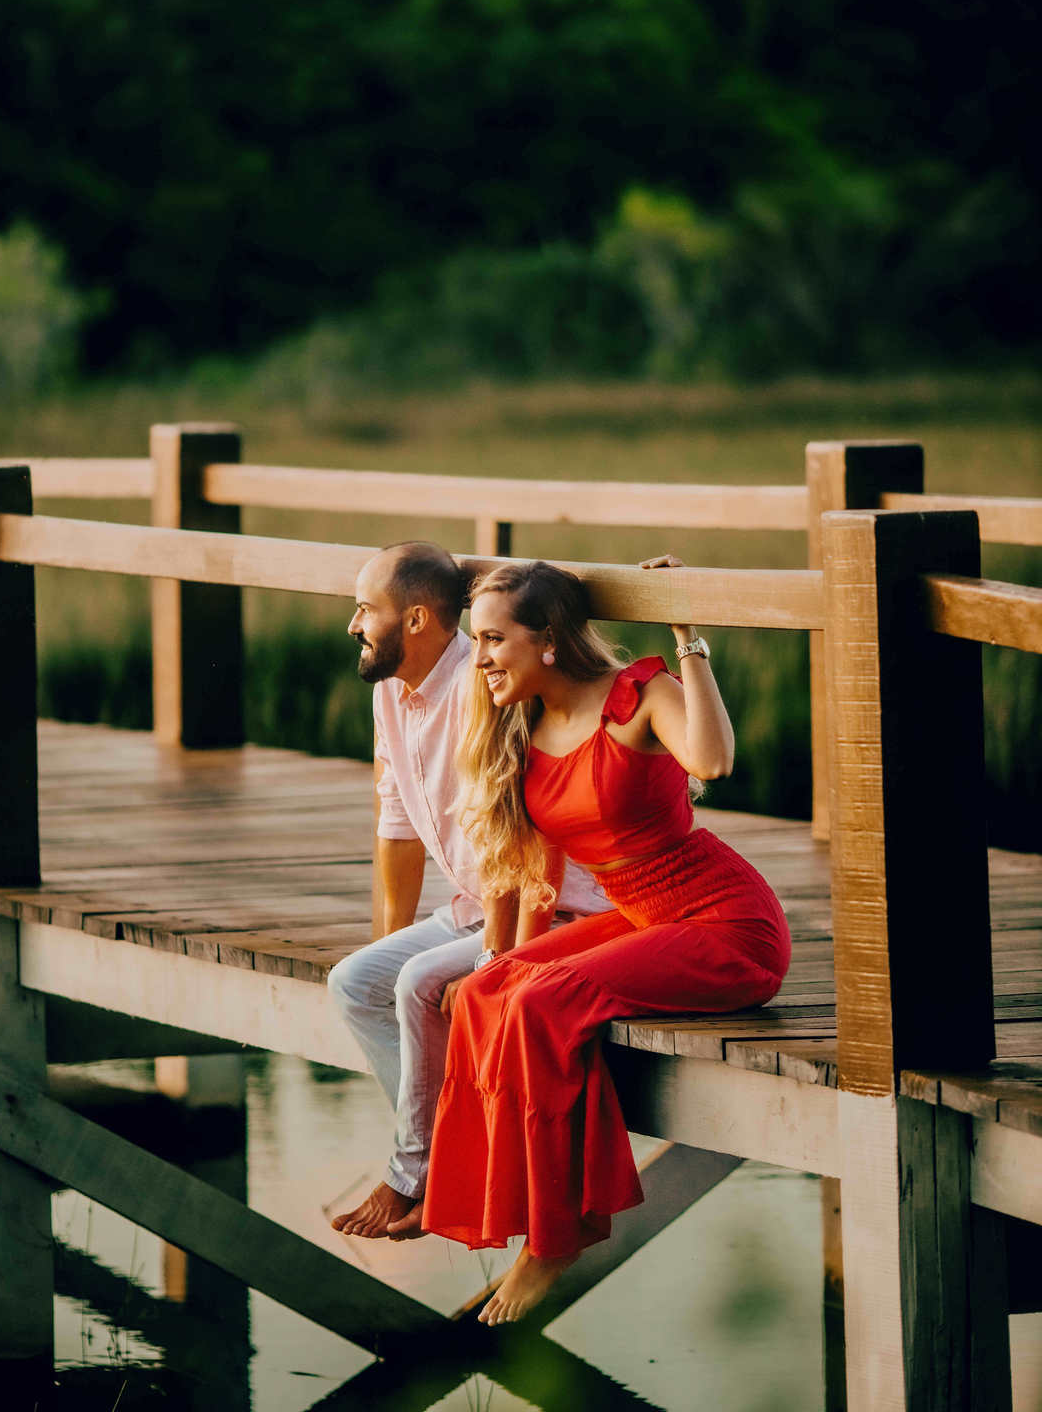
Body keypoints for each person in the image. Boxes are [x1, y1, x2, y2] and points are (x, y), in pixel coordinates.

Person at [420, 557, 792, 1323]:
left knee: (544, 1004)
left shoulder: (640, 697)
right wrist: (506, 958)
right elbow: (538, 875)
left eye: (493, 639)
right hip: (642, 918)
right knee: (489, 992)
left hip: (726, 925)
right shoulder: (527, 721)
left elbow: (715, 763)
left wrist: (689, 637)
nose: (479, 657)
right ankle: (520, 1202)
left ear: (548, 637)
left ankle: (558, 1236)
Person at [327, 541, 609, 1241]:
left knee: (420, 983)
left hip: (554, 908)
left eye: (366, 610)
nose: (354, 626)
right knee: (357, 980)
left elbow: (520, 839)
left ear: (418, 620)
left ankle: (419, 1174)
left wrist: (495, 959)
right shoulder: (394, 692)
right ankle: (449, 1158)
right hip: (471, 904)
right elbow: (395, 824)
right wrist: (389, 940)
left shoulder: (482, 686)